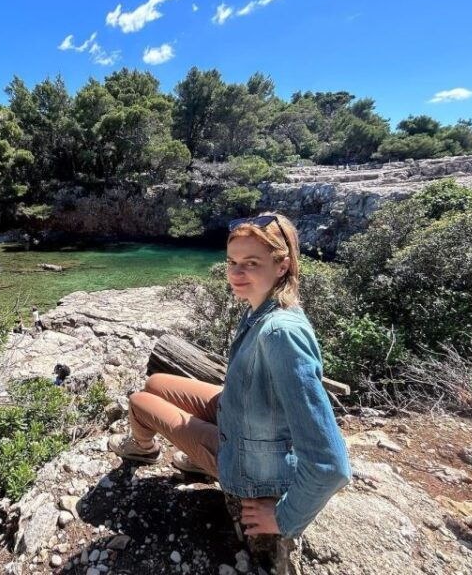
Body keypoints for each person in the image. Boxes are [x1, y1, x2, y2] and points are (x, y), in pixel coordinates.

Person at [109, 212, 351, 540]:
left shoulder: (281, 334)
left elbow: (330, 464)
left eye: (251, 263)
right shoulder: (264, 306)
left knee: (139, 402)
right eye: (232, 261)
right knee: (155, 382)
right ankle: (191, 455)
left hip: (247, 467)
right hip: (242, 418)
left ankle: (143, 449)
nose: (236, 273)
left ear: (282, 265)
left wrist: (283, 518)